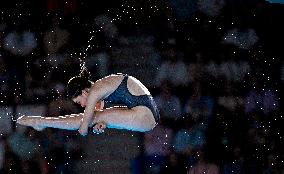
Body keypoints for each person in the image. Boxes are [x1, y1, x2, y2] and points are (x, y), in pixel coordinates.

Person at [16, 69, 160, 136]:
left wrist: (86, 127)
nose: (83, 105)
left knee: (91, 117)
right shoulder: (101, 89)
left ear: (85, 92)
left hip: (145, 114)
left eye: (79, 101)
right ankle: (42, 122)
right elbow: (103, 118)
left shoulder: (97, 90)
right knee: (97, 117)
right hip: (145, 112)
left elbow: (84, 128)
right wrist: (101, 125)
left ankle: (41, 122)